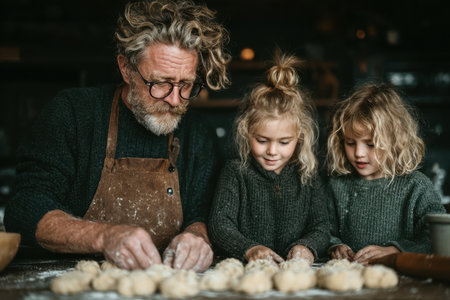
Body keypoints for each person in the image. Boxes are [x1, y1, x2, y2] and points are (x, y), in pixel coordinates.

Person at [4, 0, 231, 272]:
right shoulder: (74, 114)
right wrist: (104, 236)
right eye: (160, 83)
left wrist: (197, 236)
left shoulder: (197, 133)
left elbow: (202, 213)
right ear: (126, 68)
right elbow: (26, 207)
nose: (174, 99)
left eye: (186, 85)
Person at [208, 52, 330, 265]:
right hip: (246, 272)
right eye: (262, 140)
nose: (272, 151)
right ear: (247, 133)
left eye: (284, 143)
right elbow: (220, 225)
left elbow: (321, 227)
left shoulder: (307, 176)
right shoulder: (236, 172)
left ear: (299, 138)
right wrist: (248, 248)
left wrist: (307, 246)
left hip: (296, 274)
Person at [326, 83, 446, 265]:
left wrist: (396, 250)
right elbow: (324, 230)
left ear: (395, 141)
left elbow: (436, 236)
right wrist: (335, 246)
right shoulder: (337, 185)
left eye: (371, 144)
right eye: (350, 143)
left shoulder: (416, 186)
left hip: (403, 282)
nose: (358, 153)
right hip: (350, 281)